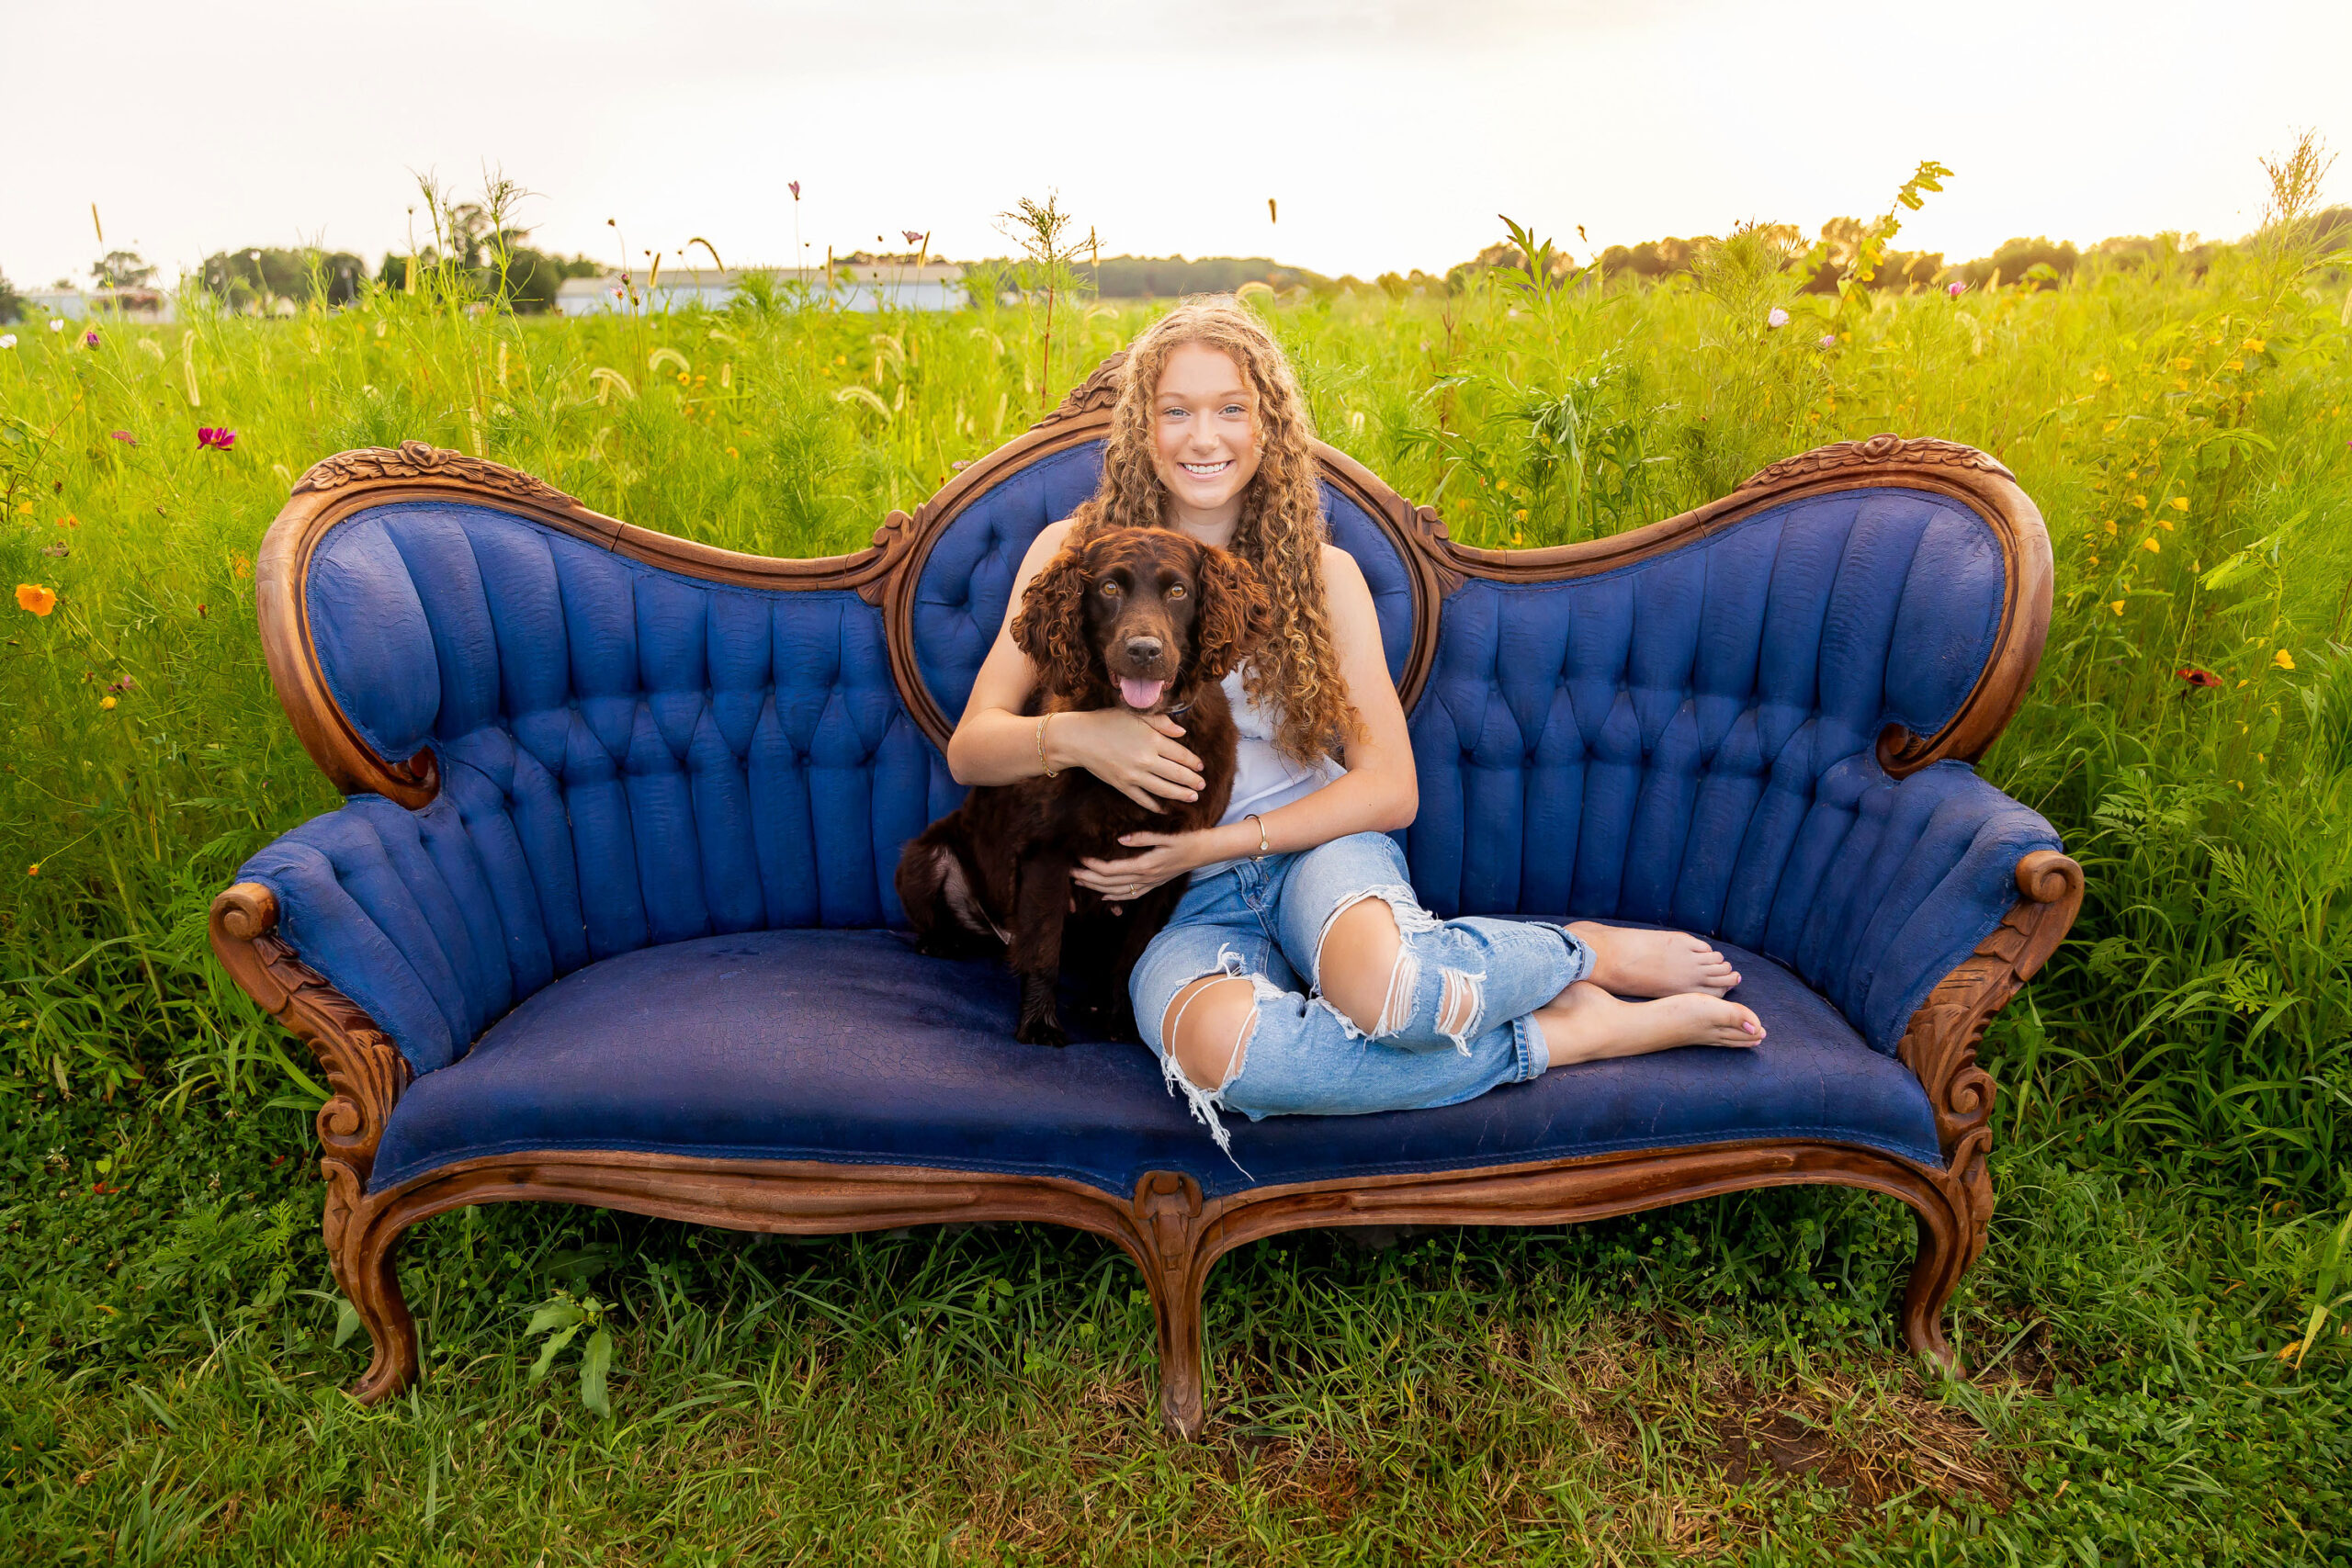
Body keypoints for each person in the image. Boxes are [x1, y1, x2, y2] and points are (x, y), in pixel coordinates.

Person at [944, 299, 1763, 1154]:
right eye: (1176, 411)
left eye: (1231, 408)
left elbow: (1391, 788)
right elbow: (974, 744)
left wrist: (1213, 843)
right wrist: (1081, 738)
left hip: (1312, 850)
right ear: (1142, 428)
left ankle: (1577, 953)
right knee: (1229, 1065)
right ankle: (1567, 1032)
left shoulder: (1323, 577)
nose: (1203, 436)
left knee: (1394, 997)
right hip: (1170, 900)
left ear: (1269, 429)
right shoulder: (1070, 555)